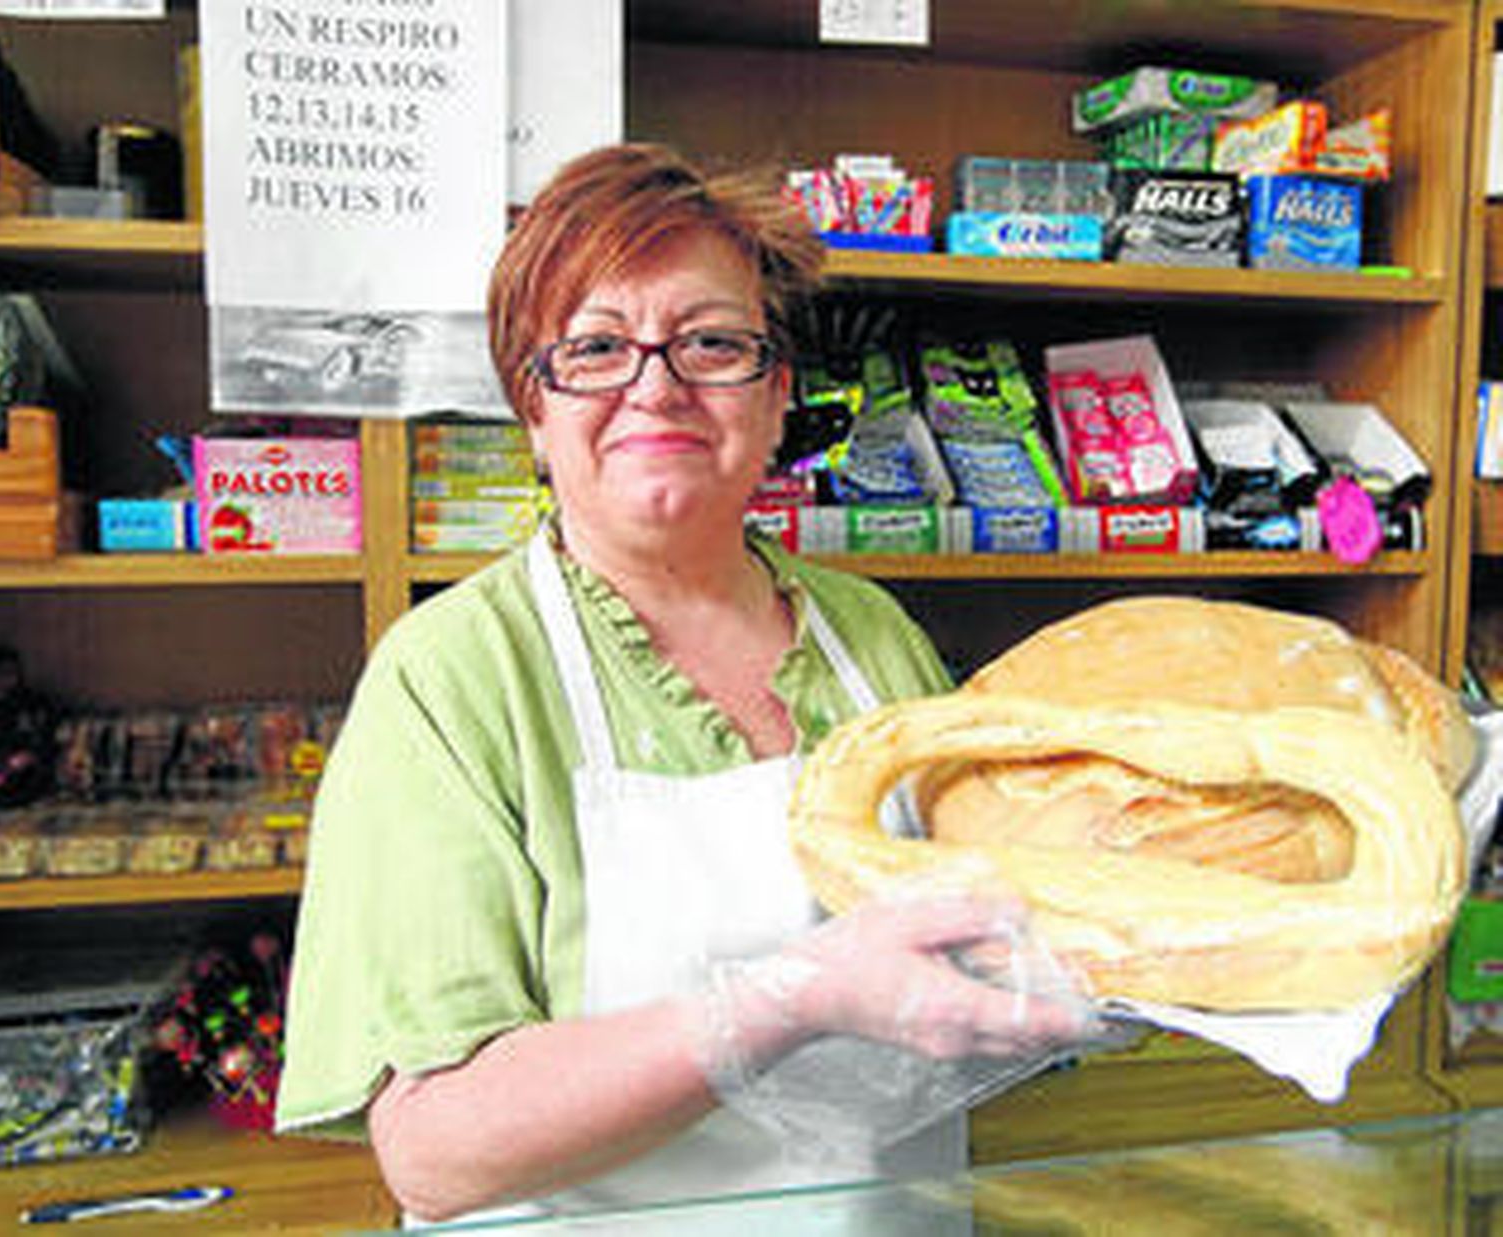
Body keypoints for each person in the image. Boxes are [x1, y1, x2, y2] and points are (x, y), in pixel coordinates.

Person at [275, 142, 1090, 1227]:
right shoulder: (452, 675)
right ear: (534, 408)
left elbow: (990, 927)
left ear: (777, 393)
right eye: (597, 347)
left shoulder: (871, 636)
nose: (655, 387)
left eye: (711, 343)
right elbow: (435, 1151)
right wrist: (791, 997)